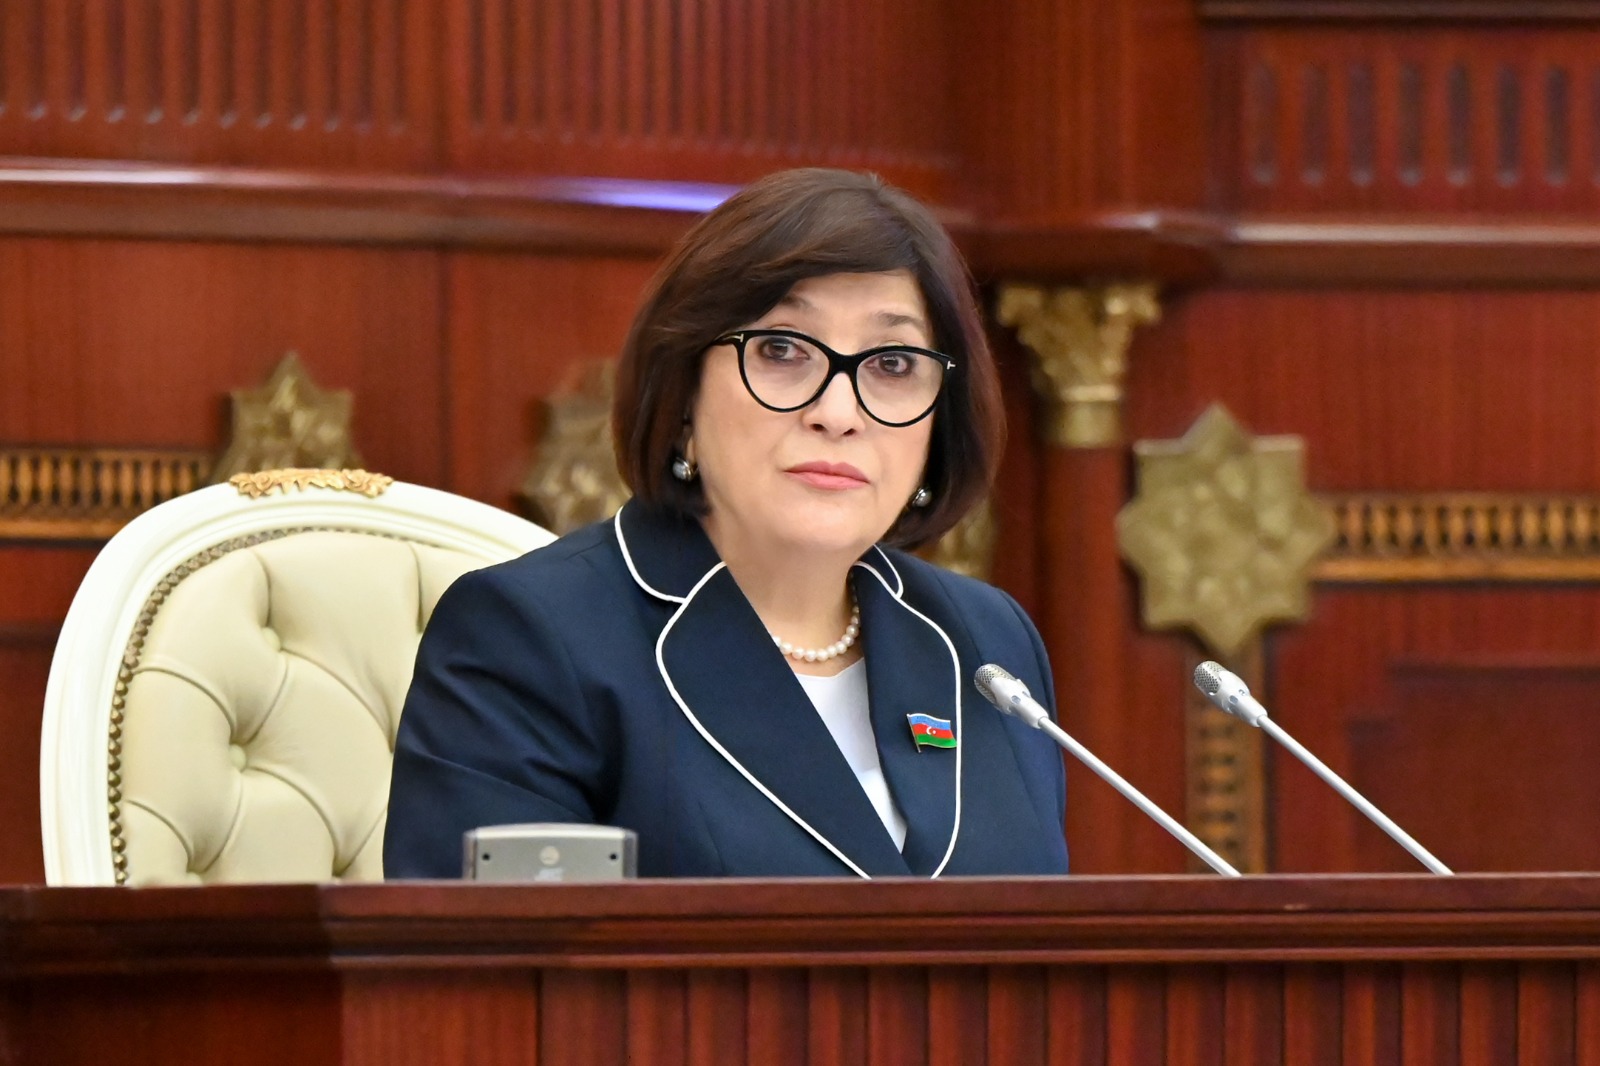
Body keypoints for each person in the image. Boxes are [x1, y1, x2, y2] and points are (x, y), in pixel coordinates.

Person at [383, 168, 1068, 878]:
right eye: (782, 350)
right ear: (683, 390)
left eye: (893, 363)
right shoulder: (528, 639)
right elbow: (498, 952)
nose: (838, 413)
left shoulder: (985, 642)